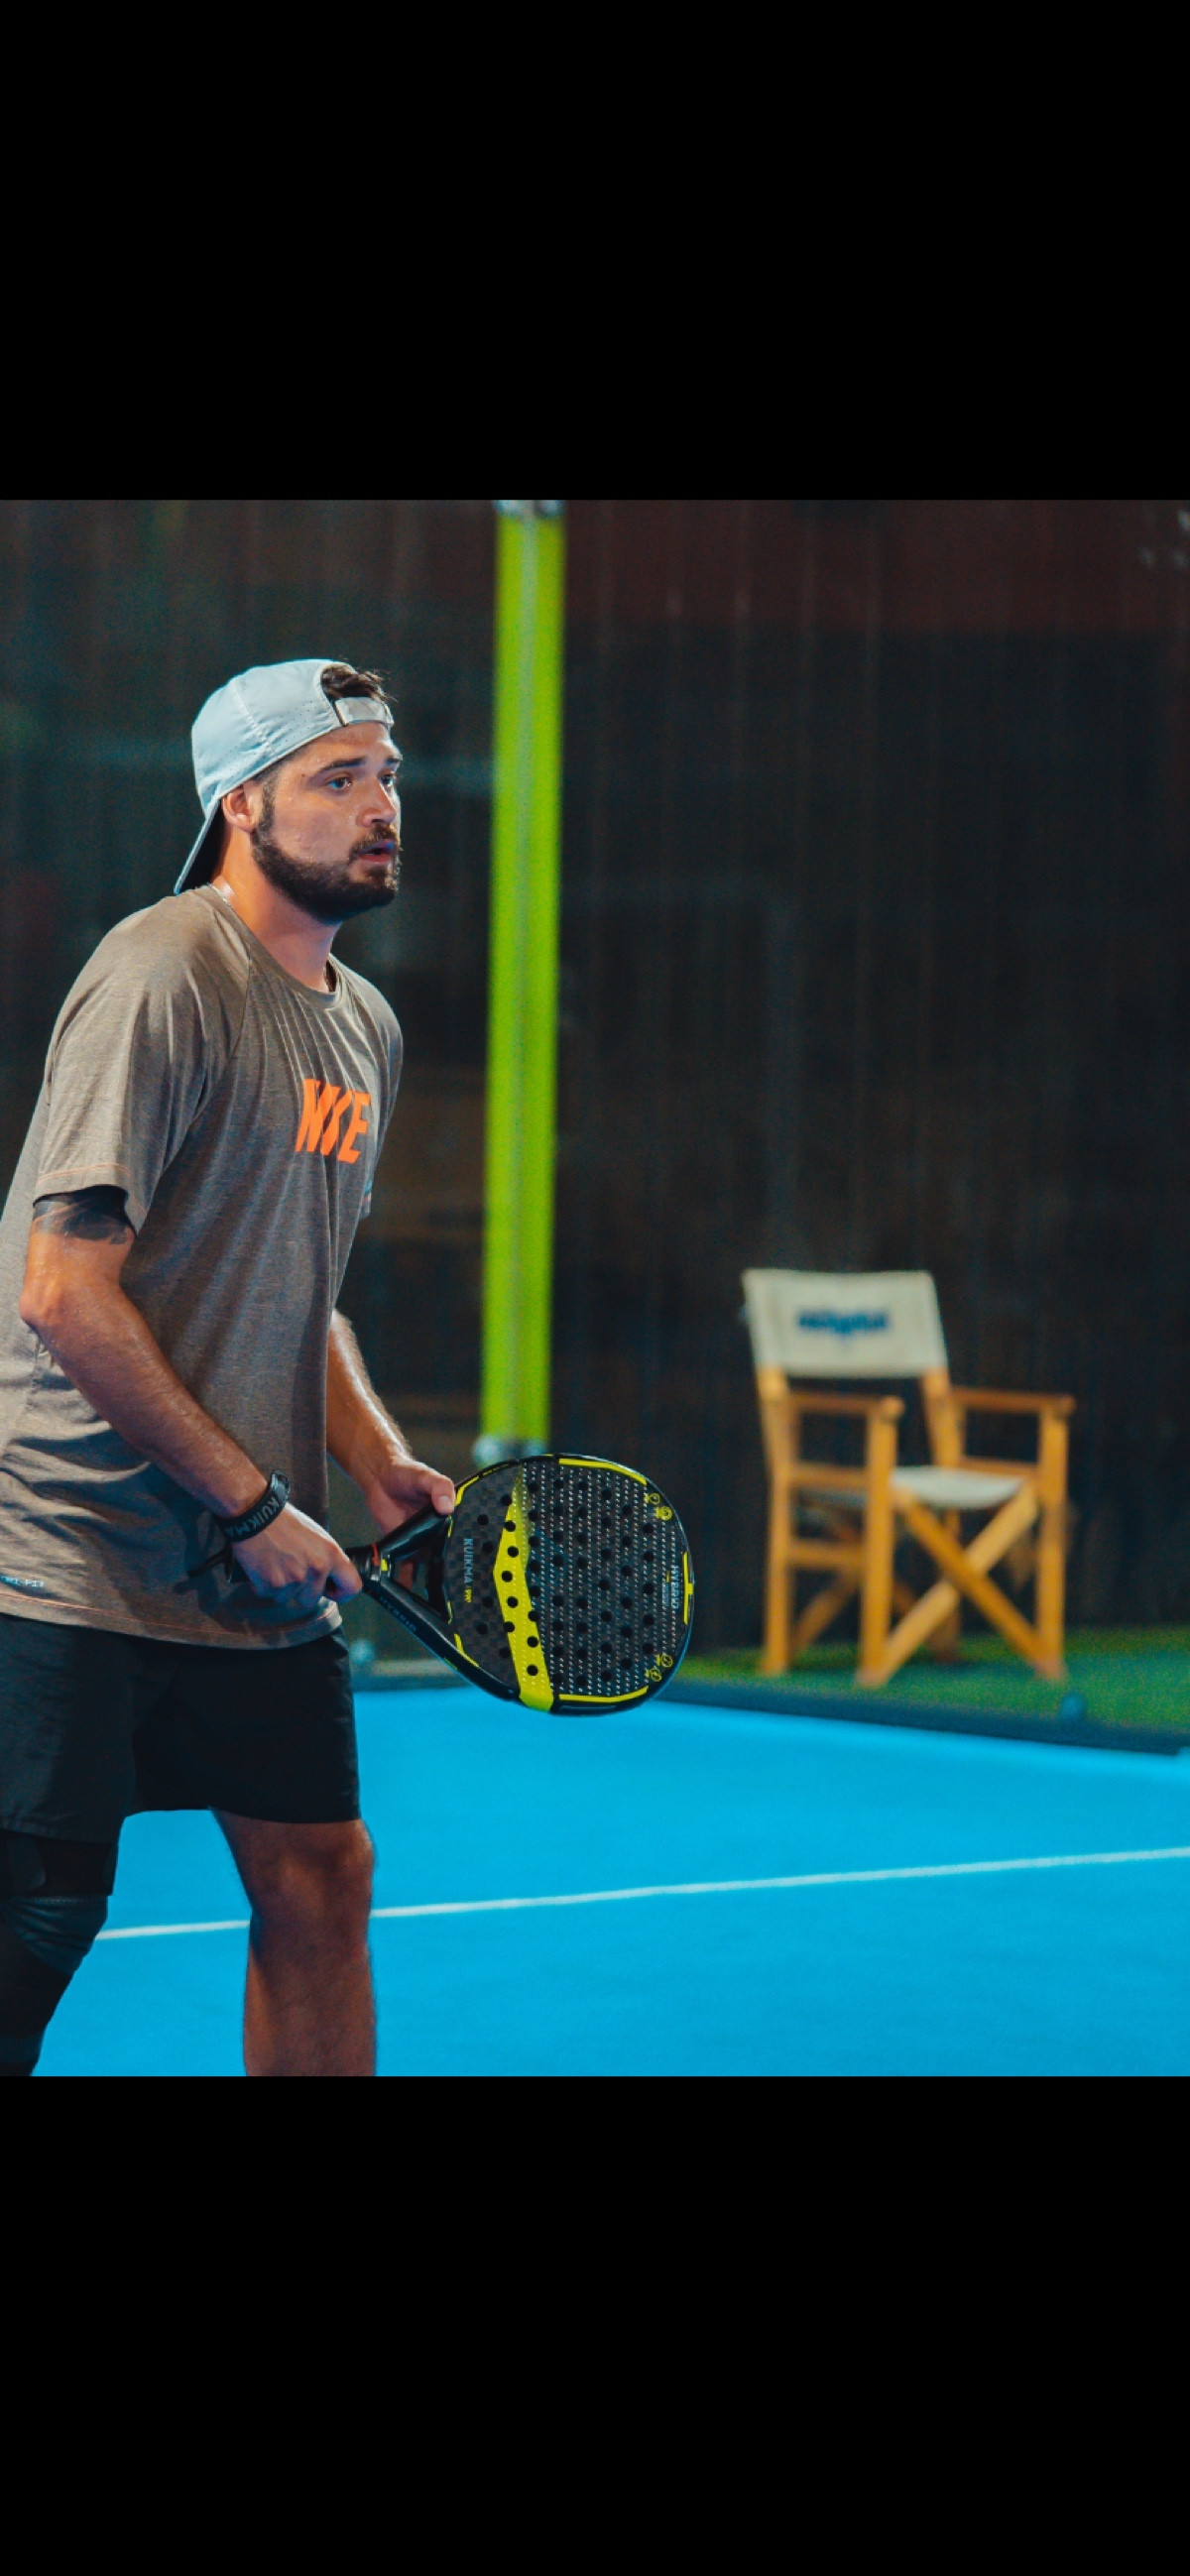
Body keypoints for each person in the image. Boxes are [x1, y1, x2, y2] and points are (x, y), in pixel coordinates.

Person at [0, 656, 454, 2077]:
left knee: (321, 1879)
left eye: (387, 775)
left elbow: (301, 1293)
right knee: (37, 1915)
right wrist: (255, 1503)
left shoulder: (363, 1027)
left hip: (250, 1571)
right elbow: (63, 1292)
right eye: (339, 777)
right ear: (242, 803)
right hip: (68, 1549)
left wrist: (373, 1456)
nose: (382, 806)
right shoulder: (161, 976)